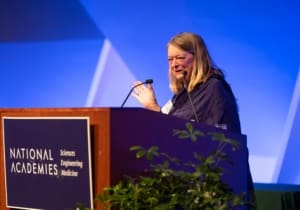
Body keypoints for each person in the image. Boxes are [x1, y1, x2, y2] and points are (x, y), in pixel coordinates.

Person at [132, 32, 256, 209]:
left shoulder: (213, 88)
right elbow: (168, 127)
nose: (174, 64)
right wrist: (153, 108)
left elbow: (197, 133)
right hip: (188, 184)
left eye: (180, 58)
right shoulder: (183, 95)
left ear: (197, 57)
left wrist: (154, 109)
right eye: (170, 59)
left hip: (217, 184)